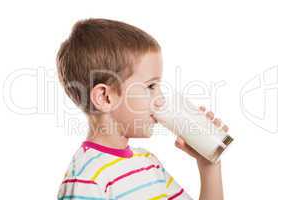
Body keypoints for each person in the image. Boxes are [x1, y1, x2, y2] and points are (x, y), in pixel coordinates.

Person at [56, 18, 229, 200]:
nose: (161, 98)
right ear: (105, 98)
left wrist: (209, 166)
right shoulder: (87, 180)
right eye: (151, 86)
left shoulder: (148, 164)